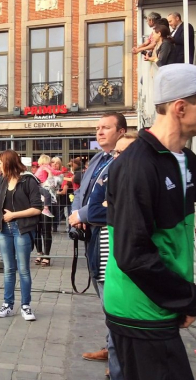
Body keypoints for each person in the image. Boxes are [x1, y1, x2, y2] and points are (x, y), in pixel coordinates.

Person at [105, 64, 196, 380]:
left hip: (160, 304)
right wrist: (186, 297)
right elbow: (133, 254)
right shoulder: (137, 165)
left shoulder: (185, 160)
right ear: (181, 108)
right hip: (139, 310)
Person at [70, 112, 126, 374]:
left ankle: (118, 362)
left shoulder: (124, 160)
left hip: (110, 240)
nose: (100, 132)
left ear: (122, 132)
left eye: (106, 127)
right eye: (98, 127)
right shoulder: (98, 158)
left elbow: (111, 205)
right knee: (105, 301)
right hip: (93, 238)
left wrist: (83, 214)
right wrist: (76, 214)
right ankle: (111, 349)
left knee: (112, 303)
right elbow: (81, 192)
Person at [85, 131, 137, 379]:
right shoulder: (107, 179)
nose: (118, 158)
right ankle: (116, 363)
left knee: (129, 323)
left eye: (124, 153)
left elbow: (139, 215)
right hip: (103, 258)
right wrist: (115, 207)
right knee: (113, 318)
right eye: (117, 153)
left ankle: (123, 366)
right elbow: (94, 211)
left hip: (131, 264)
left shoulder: (144, 180)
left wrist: (112, 206)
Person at [0, 149, 41, 321]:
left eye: (0, 162)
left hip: (22, 229)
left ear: (9, 163)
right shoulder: (1, 181)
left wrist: (14, 215)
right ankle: (7, 304)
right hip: (4, 230)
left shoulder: (28, 181)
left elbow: (37, 208)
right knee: (8, 269)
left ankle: (25, 306)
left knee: (24, 269)